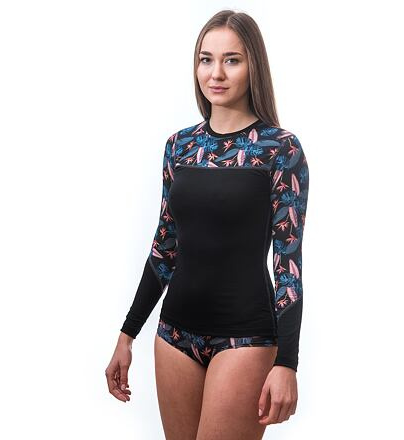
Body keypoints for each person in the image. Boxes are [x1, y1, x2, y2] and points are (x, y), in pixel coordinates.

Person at [105, 9, 310, 440]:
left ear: (254, 65)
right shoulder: (179, 147)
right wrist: (127, 334)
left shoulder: (280, 150)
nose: (216, 73)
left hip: (245, 341)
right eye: (206, 59)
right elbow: (164, 249)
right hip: (174, 336)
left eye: (232, 60)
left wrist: (287, 363)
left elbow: (288, 268)